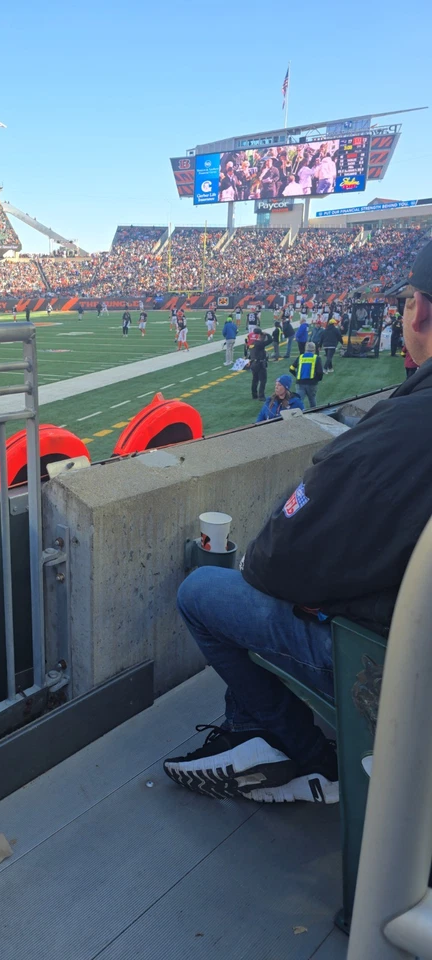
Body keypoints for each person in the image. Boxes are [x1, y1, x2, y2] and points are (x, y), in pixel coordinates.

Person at [163, 239, 432, 806]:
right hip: (410, 642)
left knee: (203, 589)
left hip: (390, 665)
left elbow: (276, 558)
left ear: (419, 312)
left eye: (408, 299)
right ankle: (255, 731)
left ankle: (302, 753)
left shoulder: (404, 430)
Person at [290, 341, 324, 408]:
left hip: (300, 382)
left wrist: (297, 376)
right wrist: (317, 379)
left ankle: (298, 413)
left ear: (305, 349)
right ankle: (314, 413)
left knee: (299, 401)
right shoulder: (316, 358)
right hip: (312, 383)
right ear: (314, 349)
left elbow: (291, 369)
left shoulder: (300, 357)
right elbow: (320, 372)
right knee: (312, 401)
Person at [248, 326, 271, 400]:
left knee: (255, 380)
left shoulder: (253, 343)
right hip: (260, 364)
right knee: (263, 380)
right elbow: (270, 340)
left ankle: (254, 395)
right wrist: (267, 334)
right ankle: (261, 396)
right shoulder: (260, 344)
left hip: (253, 363)